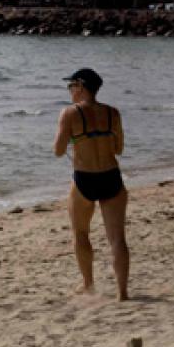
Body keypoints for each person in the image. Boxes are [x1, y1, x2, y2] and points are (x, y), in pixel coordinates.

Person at [54, 68, 130, 300]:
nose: (70, 91)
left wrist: (77, 138)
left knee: (80, 234)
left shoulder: (69, 113)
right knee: (117, 238)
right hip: (111, 176)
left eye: (71, 86)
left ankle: (88, 284)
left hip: (85, 179)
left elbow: (58, 151)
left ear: (80, 86)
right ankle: (122, 292)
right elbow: (119, 149)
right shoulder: (113, 113)